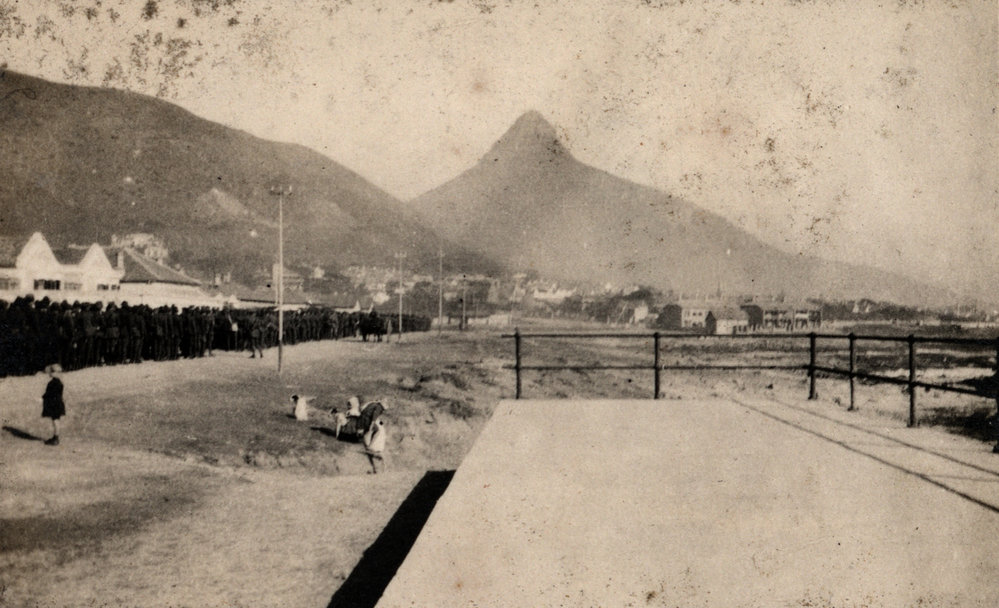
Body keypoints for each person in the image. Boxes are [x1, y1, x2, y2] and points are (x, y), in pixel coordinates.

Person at [41, 364, 65, 445]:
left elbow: (50, 393)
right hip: (58, 403)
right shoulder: (59, 382)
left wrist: (44, 396)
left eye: (51, 371)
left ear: (55, 373)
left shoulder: (53, 383)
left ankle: (56, 438)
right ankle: (56, 436)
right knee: (56, 420)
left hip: (54, 404)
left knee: (55, 420)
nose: (49, 373)